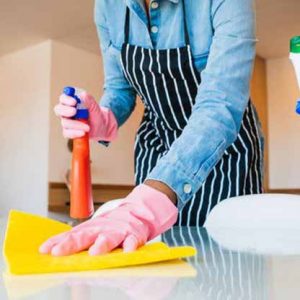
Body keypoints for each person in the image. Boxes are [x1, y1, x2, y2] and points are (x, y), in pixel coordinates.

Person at [39, 0, 263, 256]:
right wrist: (103, 118)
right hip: (157, 145)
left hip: (225, 155)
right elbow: (120, 88)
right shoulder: (107, 6)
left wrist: (144, 207)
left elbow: (220, 104)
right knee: (155, 267)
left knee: (221, 265)